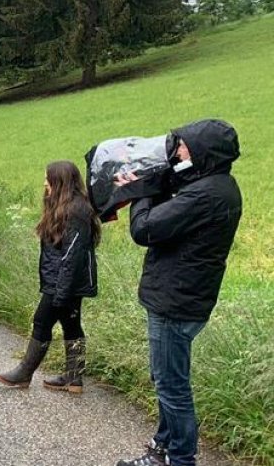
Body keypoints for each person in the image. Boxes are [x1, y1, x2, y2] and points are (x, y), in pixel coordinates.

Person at [114, 119, 242, 466]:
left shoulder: (205, 195)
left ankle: (180, 459)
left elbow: (145, 229)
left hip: (175, 302)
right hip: (185, 297)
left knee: (172, 386)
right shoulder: (218, 185)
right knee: (165, 377)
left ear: (204, 152)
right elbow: (182, 186)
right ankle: (162, 447)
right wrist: (160, 179)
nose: (178, 152)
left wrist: (141, 190)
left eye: (184, 147)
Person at [0, 160, 100, 392]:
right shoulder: (65, 206)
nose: (44, 183)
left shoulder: (77, 210)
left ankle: (23, 373)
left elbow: (72, 255)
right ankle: (74, 379)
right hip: (61, 281)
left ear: (60, 181)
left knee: (42, 321)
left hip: (64, 283)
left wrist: (60, 292)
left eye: (48, 179)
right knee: (71, 324)